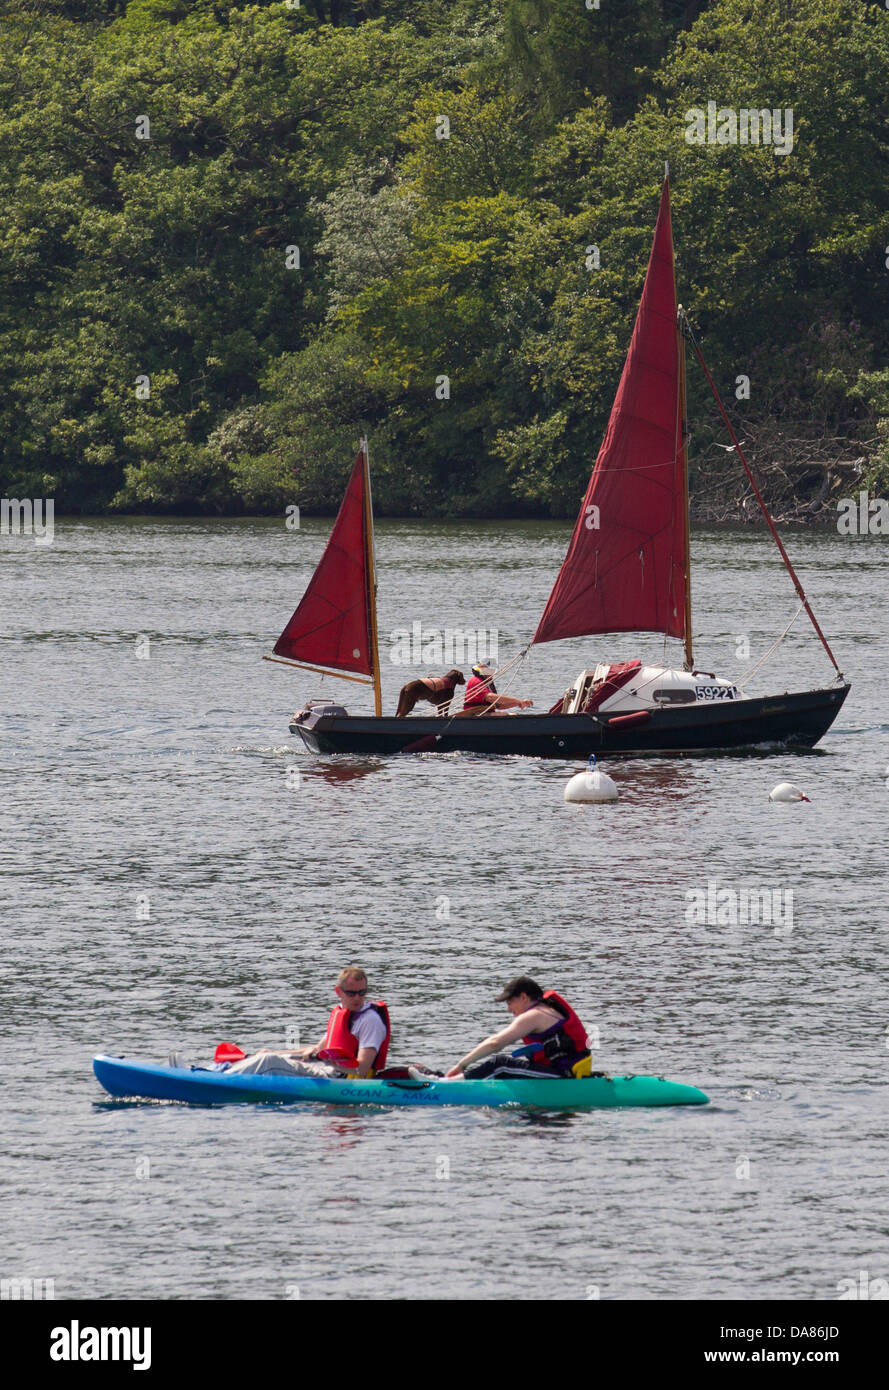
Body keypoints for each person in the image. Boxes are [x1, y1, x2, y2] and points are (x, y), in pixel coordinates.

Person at [227, 967, 390, 1079]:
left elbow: (361, 1069)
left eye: (362, 993)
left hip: (339, 1078)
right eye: (351, 993)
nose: (357, 998)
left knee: (269, 1061)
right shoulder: (342, 1013)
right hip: (324, 1067)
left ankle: (220, 1080)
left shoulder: (370, 1021)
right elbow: (317, 1050)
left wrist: (326, 1060)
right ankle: (219, 1071)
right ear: (338, 992)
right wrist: (276, 1052)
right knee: (268, 1056)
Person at [442, 976, 591, 1080]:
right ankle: (442, 1077)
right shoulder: (548, 1008)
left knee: (500, 1064)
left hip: (563, 1075)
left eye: (510, 1002)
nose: (509, 1009)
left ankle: (447, 1084)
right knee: (506, 1068)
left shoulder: (534, 1015)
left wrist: (461, 1064)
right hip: (568, 1071)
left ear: (524, 997)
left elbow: (496, 1043)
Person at [460, 663, 533, 715]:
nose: (492, 673)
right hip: (474, 714)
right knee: (503, 715)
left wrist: (519, 703)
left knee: (513, 715)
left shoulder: (487, 684)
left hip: (484, 713)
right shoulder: (476, 680)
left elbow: (499, 706)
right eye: (489, 670)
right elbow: (490, 697)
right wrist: (516, 700)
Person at [395, 669, 465, 717]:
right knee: (406, 710)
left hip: (417, 685)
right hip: (417, 688)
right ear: (457, 678)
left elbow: (440, 704)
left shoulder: (444, 684)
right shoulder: (449, 689)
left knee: (403, 710)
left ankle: (398, 719)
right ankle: (399, 721)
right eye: (462, 678)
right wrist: (445, 717)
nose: (464, 680)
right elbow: (445, 706)